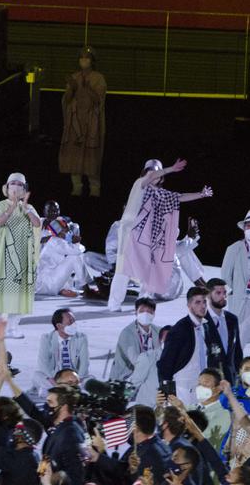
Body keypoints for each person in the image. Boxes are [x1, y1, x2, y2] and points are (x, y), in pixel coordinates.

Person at [107, 158, 212, 312]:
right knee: (123, 271)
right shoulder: (139, 185)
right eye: (151, 172)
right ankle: (114, 305)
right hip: (130, 238)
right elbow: (149, 178)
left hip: (148, 241)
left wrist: (201, 194)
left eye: (157, 172)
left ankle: (143, 304)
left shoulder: (162, 195)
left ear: (161, 178)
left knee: (149, 273)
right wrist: (171, 168)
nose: (154, 175)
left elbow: (180, 197)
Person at [0, 173, 41, 338]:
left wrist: (26, 209)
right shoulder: (0, 206)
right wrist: (11, 209)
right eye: (12, 183)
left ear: (24, 188)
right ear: (6, 187)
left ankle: (13, 328)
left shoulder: (28, 207)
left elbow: (37, 224)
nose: (15, 186)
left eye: (19, 184)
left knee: (18, 294)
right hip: (1, 255)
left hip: (21, 257)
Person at [59, 46, 106, 197]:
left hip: (91, 124)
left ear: (92, 61)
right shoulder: (75, 77)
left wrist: (88, 89)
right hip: (75, 123)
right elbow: (66, 100)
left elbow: (99, 101)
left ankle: (94, 189)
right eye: (81, 58)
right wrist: (71, 88)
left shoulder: (98, 78)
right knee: (74, 155)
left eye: (87, 58)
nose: (84, 60)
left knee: (91, 156)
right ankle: (77, 187)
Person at [158, 287, 215, 405]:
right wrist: (167, 393)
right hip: (183, 389)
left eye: (204, 301)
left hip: (203, 388)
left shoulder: (206, 327)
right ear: (189, 305)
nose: (203, 306)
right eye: (198, 302)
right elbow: (165, 363)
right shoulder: (179, 329)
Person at [33, 309, 90, 395]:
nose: (74, 324)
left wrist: (78, 380)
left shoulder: (81, 337)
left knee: (90, 379)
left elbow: (84, 363)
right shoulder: (46, 338)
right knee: (37, 376)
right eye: (70, 321)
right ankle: (59, 390)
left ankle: (56, 392)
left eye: (74, 320)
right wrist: (54, 382)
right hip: (56, 377)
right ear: (59, 326)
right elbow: (43, 363)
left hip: (74, 376)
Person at [35, 218, 91, 297]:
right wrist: (77, 243)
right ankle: (87, 290)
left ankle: (65, 288)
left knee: (72, 260)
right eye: (66, 231)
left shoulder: (54, 241)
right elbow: (78, 251)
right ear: (59, 232)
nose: (69, 233)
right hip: (48, 284)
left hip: (45, 284)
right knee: (74, 257)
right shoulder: (56, 241)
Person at [111, 297, 160, 381]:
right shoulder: (127, 333)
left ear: (154, 314)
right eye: (142, 311)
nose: (145, 314)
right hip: (126, 378)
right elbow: (136, 361)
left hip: (150, 375)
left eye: (149, 312)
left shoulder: (158, 331)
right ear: (136, 313)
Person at [222, 209, 250, 354]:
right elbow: (225, 276)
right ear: (244, 228)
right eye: (248, 225)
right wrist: (236, 292)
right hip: (241, 302)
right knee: (238, 342)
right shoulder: (234, 249)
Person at [206, 277, 243, 383]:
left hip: (231, 380)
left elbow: (237, 352)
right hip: (211, 382)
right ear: (208, 295)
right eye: (218, 293)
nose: (223, 296)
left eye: (224, 292)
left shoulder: (232, 319)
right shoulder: (202, 321)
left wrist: (240, 377)